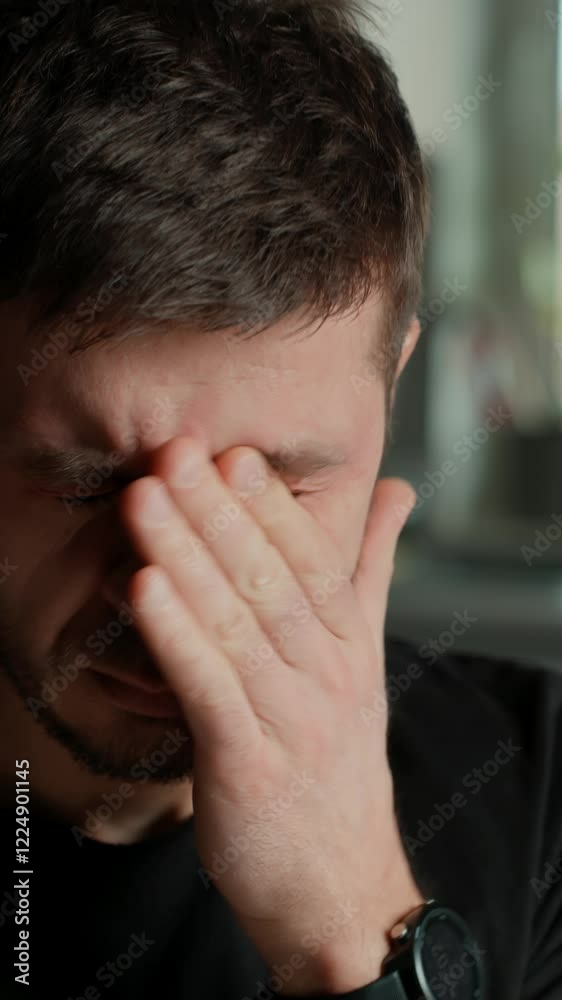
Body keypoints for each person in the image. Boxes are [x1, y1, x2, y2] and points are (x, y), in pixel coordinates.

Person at [0, 2, 560, 998]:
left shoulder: (541, 793)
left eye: (283, 482)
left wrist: (355, 929)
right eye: (89, 483)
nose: (168, 598)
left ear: (393, 388)